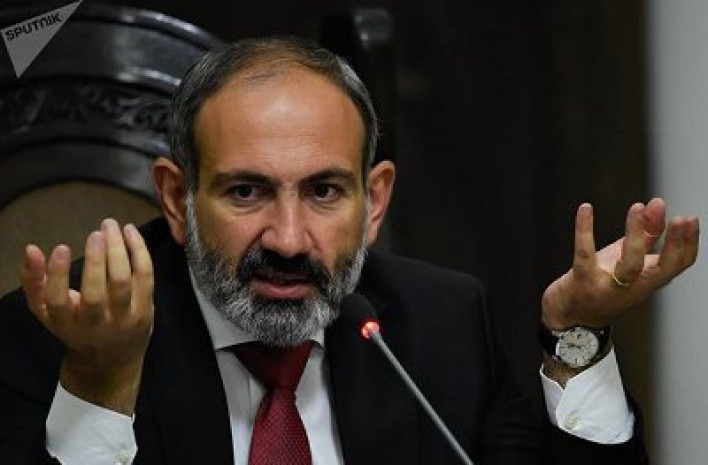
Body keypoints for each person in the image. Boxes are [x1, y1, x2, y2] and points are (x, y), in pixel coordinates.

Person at [0, 36, 699, 465]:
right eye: (246, 191)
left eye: (324, 191)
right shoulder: (52, 339)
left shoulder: (440, 324)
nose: (288, 238)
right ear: (179, 199)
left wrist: (577, 332)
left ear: (375, 201)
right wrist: (100, 383)